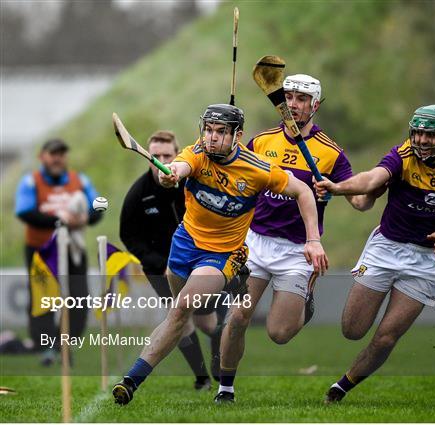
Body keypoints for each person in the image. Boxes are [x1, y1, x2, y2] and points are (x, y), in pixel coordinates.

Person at [112, 103, 328, 405]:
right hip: (184, 244)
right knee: (182, 317)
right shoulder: (197, 153)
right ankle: (200, 363)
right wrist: (171, 174)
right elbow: (180, 166)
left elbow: (304, 191)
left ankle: (132, 382)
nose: (211, 138)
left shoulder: (257, 169)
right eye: (209, 130)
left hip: (222, 254)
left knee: (183, 306)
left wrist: (313, 239)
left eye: (220, 132)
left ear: (237, 135)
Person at [216, 74, 369, 403]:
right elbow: (236, 175)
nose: (294, 105)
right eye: (288, 97)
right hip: (255, 243)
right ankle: (225, 389)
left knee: (279, 334)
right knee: (239, 315)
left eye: (301, 99)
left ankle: (305, 303)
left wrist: (344, 188)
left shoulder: (330, 153)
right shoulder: (261, 142)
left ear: (315, 105)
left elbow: (358, 200)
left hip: (298, 250)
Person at [314, 104, 435, 403]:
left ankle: (342, 387)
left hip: (425, 261)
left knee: (387, 336)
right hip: (386, 249)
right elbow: (371, 179)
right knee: (352, 330)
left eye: (429, 135)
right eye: (417, 133)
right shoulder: (402, 156)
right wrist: (338, 188)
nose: (421, 140)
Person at [120, 130, 224, 391]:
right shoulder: (139, 193)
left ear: (177, 155)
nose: (162, 160)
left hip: (200, 261)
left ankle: (216, 354)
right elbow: (128, 234)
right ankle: (201, 378)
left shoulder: (192, 182)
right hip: (160, 269)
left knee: (206, 322)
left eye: (167, 155)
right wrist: (152, 259)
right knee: (180, 320)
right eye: (155, 155)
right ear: (148, 157)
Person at [14, 138, 102, 365]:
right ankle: (46, 349)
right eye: (53, 153)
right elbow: (25, 212)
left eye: (61, 154)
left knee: (79, 300)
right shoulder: (30, 182)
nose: (57, 158)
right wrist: (60, 220)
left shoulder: (80, 180)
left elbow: (100, 204)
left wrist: (86, 217)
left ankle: (63, 345)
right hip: (41, 249)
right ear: (42, 157)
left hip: (73, 248)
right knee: (43, 299)